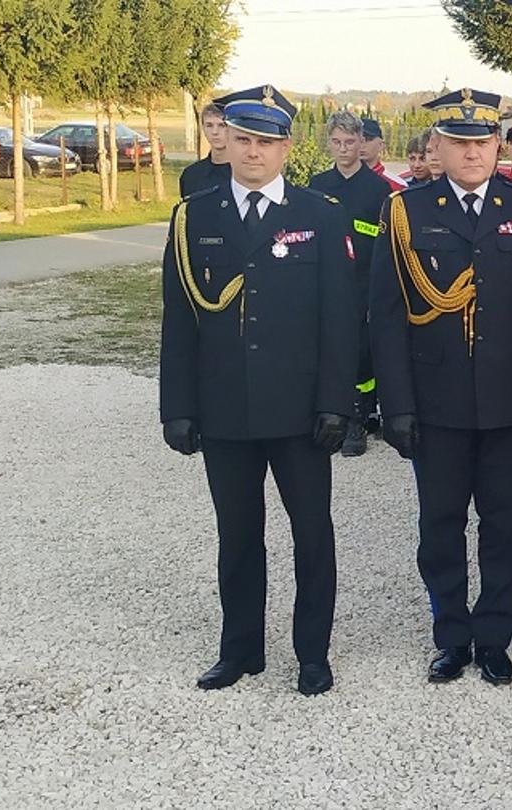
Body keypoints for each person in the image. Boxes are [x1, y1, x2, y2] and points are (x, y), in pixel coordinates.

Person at [157, 85, 358, 696]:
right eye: (243, 139)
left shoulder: (320, 214)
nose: (252, 152)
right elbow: (179, 318)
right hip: (225, 409)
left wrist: (336, 403)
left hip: (300, 411)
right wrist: (178, 407)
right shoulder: (196, 213)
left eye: (266, 142)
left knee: (311, 535)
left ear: (286, 148)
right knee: (237, 537)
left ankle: (312, 653)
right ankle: (240, 649)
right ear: (225, 141)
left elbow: (340, 320)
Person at [370, 88, 512, 687]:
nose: (472, 152)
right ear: (438, 147)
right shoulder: (405, 211)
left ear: (498, 145)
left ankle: (496, 636)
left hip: (509, 404)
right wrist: (394, 405)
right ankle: (451, 636)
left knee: (506, 525)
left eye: (482, 141)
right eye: (459, 142)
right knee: (441, 525)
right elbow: (387, 314)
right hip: (437, 404)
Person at [308, 111, 393, 457]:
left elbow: (384, 241)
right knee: (327, 347)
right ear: (329, 143)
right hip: (326, 279)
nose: (343, 149)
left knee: (361, 350)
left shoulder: (378, 190)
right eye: (337, 142)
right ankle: (331, 413)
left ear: (362, 143)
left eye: (350, 142)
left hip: (363, 280)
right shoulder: (317, 186)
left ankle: (359, 416)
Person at [177, 101, 230, 198]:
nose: (215, 132)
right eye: (209, 125)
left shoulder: (244, 175)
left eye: (222, 125)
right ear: (203, 128)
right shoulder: (191, 175)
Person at [360, 117, 405, 192]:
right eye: (357, 139)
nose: (361, 145)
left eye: (368, 139)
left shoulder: (397, 186)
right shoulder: (339, 181)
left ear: (381, 145)